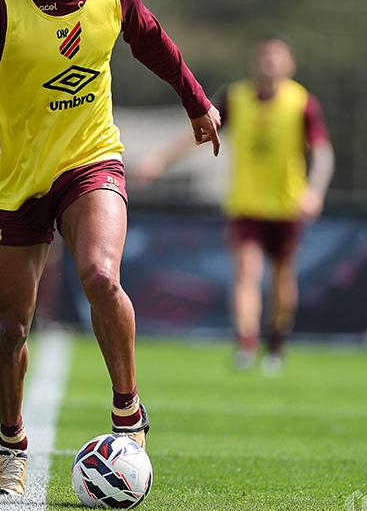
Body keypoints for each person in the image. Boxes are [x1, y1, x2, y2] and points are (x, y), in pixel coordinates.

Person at [0, 0, 221, 497]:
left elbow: (155, 45)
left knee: (101, 276)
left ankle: (128, 414)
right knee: (11, 328)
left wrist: (197, 103)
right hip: (14, 179)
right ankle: (11, 443)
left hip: (89, 161)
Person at [136, 35, 334, 375]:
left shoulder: (302, 103)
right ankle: (246, 344)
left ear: (290, 64)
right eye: (264, 56)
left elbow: (323, 152)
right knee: (245, 272)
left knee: (282, 278)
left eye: (277, 57)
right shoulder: (236, 98)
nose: (269, 63)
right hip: (246, 204)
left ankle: (276, 344)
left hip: (286, 205)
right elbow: (200, 131)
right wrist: (160, 160)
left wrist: (314, 191)